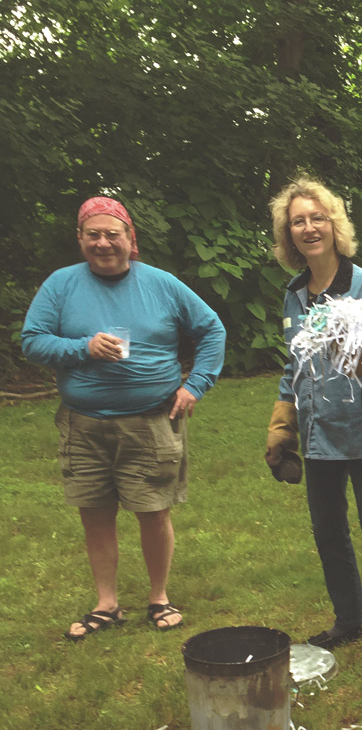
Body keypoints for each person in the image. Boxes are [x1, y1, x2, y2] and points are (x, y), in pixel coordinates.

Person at [21, 196, 226, 641]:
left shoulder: (161, 284)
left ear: (130, 239)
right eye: (93, 234)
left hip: (150, 421)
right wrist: (82, 348)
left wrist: (196, 384)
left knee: (153, 510)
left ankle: (159, 597)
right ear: (80, 240)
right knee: (94, 512)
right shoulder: (61, 285)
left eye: (112, 234)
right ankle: (106, 604)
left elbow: (212, 329)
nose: (103, 242)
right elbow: (33, 341)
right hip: (83, 423)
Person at [264, 176, 362, 665]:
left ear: (335, 225)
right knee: (328, 531)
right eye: (298, 221)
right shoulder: (294, 294)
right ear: (288, 234)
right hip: (317, 436)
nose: (309, 227)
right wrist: (281, 426)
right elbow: (293, 365)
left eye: (318, 218)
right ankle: (348, 621)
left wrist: (356, 348)